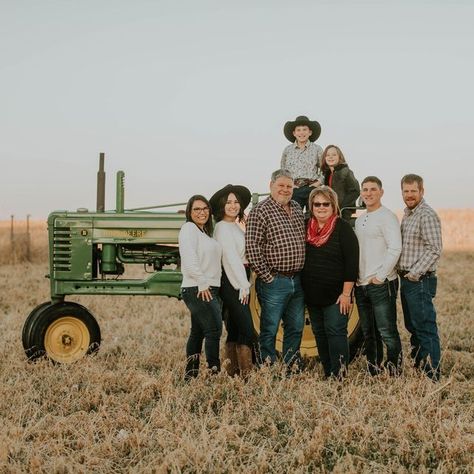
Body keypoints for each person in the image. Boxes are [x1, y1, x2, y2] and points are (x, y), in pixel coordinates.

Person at [245, 169, 306, 368]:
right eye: (281, 185)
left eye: (289, 186)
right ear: (270, 185)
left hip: (297, 279)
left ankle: (291, 365)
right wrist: (267, 276)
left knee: (295, 327)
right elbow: (252, 246)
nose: (285, 190)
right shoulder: (260, 211)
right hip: (275, 280)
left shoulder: (297, 207)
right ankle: (267, 366)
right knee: (270, 328)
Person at [301, 186, 359, 378]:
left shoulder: (342, 228)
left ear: (333, 205)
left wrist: (346, 294)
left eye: (326, 203)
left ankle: (340, 375)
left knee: (336, 333)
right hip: (312, 295)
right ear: (311, 206)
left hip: (336, 295)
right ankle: (329, 373)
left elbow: (352, 263)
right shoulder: (305, 226)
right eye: (317, 204)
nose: (321, 207)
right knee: (320, 333)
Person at [354, 176, 403, 376]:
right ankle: (373, 369)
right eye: (365, 189)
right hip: (362, 284)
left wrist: (380, 276)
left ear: (381, 192)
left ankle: (394, 371)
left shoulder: (387, 216)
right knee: (369, 332)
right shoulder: (360, 220)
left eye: (373, 189)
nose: (368, 193)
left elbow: (395, 248)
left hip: (381, 283)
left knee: (387, 331)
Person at [398, 174, 442, 381]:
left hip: (420, 280)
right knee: (413, 326)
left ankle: (432, 375)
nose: (409, 195)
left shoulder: (426, 214)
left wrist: (414, 274)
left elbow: (434, 249)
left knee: (425, 327)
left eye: (413, 191)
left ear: (422, 191)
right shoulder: (408, 214)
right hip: (407, 279)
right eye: (406, 191)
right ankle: (419, 366)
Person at [210, 184, 255, 379]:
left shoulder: (233, 226)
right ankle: (246, 375)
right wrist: (243, 286)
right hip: (233, 281)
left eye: (236, 202)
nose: (233, 205)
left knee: (236, 328)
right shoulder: (222, 228)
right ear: (222, 205)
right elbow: (230, 259)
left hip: (239, 278)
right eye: (228, 202)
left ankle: (233, 374)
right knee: (247, 328)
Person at [178, 195, 223, 380]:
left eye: (205, 208)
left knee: (197, 332)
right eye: (197, 209)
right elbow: (189, 258)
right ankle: (214, 374)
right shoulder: (189, 228)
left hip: (208, 286)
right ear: (189, 212)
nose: (201, 212)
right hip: (198, 287)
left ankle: (191, 375)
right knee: (214, 329)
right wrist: (202, 283)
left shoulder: (204, 232)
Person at [281, 115, 324, 210]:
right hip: (294, 188)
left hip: (312, 187)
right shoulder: (288, 150)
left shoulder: (317, 149)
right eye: (299, 130)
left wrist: (318, 183)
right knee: (294, 215)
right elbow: (283, 171)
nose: (301, 133)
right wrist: (290, 185)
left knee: (313, 215)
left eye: (304, 129)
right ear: (294, 133)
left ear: (310, 132)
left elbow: (325, 170)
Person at [321, 145, 360, 221]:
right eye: (328, 155)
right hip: (330, 210)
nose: (330, 157)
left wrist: (342, 206)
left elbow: (355, 191)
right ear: (324, 158)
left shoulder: (345, 171)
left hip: (343, 211)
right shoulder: (327, 174)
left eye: (334, 155)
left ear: (340, 157)